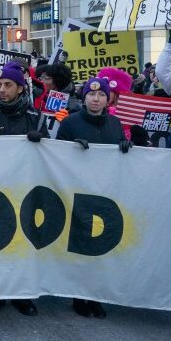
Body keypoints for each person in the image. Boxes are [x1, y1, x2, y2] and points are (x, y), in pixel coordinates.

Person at [54, 77, 133, 319]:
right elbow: (55, 155)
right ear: (84, 97)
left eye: (101, 95)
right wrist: (70, 148)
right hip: (78, 192)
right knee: (81, 246)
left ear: (108, 99)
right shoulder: (70, 122)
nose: (96, 99)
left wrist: (126, 146)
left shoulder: (115, 123)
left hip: (106, 193)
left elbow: (121, 154)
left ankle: (97, 296)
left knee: (102, 246)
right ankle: (79, 296)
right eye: (91, 94)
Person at [0, 61, 41, 317]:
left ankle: (21, 294)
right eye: (0, 84)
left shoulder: (35, 118)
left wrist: (41, 142)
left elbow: (50, 155)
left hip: (25, 190)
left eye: (8, 85)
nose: (2, 90)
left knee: (22, 244)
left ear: (20, 88)